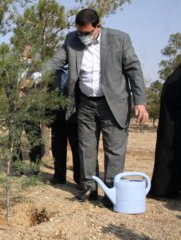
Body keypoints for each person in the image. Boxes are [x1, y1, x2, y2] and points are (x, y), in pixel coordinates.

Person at [45, 8, 149, 207]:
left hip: (113, 103)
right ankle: (88, 188)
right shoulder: (71, 39)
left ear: (98, 26)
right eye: (79, 32)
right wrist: (34, 77)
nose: (82, 37)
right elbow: (54, 62)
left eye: (86, 33)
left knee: (114, 150)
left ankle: (111, 192)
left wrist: (140, 102)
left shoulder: (120, 39)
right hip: (85, 103)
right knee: (86, 147)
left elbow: (134, 70)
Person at [7, 45, 44, 175]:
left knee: (33, 139)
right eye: (22, 56)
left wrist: (27, 95)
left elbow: (37, 88)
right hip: (15, 110)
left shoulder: (37, 70)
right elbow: (8, 87)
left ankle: (34, 169)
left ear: (32, 57)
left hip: (30, 110)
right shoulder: (13, 70)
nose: (23, 59)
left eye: (26, 56)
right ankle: (16, 169)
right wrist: (12, 98)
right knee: (15, 139)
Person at [149, 64, 181, 198]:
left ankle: (167, 187)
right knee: (170, 138)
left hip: (174, 87)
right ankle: (164, 189)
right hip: (175, 92)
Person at [49, 67, 80, 186]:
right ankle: (59, 176)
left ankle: (79, 178)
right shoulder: (54, 73)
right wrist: (48, 115)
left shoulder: (80, 71)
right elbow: (48, 95)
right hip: (57, 117)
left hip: (75, 118)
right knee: (57, 149)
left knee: (77, 150)